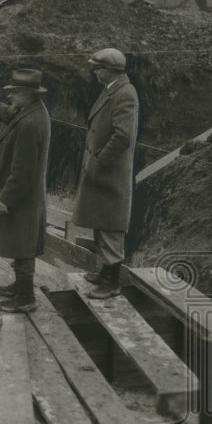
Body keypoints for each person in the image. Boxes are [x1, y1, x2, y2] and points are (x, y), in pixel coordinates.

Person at [0, 68, 51, 313]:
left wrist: (6, 198)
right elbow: (9, 115)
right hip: (28, 196)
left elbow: (22, 171)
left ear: (29, 94)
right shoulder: (32, 112)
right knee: (21, 243)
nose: (11, 96)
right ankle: (19, 287)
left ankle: (26, 298)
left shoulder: (29, 124)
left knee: (23, 246)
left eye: (15, 92)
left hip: (22, 197)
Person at [72, 48, 139, 299]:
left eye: (97, 68)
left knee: (111, 226)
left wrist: (99, 161)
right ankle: (104, 273)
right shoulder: (112, 89)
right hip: (102, 173)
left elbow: (123, 136)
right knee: (100, 221)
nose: (94, 71)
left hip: (110, 173)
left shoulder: (124, 94)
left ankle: (112, 282)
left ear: (110, 70)